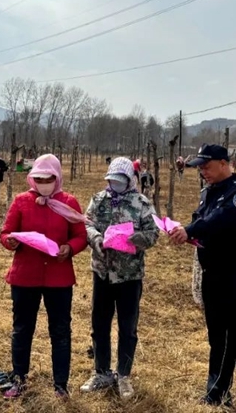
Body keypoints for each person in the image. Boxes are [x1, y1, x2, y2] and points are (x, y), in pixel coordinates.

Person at [169, 144, 236, 412]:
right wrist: (188, 234)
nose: (203, 172)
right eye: (199, 167)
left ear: (224, 163)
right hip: (212, 273)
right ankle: (216, 391)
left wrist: (191, 230)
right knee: (217, 336)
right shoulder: (207, 193)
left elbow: (222, 220)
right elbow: (203, 222)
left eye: (206, 166)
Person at [0, 154, 88, 399]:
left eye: (49, 178)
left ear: (57, 178)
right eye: (39, 178)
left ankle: (61, 384)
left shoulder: (69, 202)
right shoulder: (21, 201)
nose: (44, 183)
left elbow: (81, 235)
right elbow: (6, 233)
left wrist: (69, 247)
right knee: (22, 328)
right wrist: (12, 241)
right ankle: (18, 378)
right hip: (25, 275)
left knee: (60, 331)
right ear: (32, 178)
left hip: (58, 277)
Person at [81, 157, 159, 400]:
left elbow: (153, 232)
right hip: (102, 272)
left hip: (129, 275)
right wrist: (96, 239)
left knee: (128, 327)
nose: (115, 183)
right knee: (100, 324)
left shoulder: (141, 203)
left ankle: (124, 375)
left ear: (129, 180)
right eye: (111, 180)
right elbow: (87, 224)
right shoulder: (98, 199)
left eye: (120, 180)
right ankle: (101, 372)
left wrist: (134, 238)